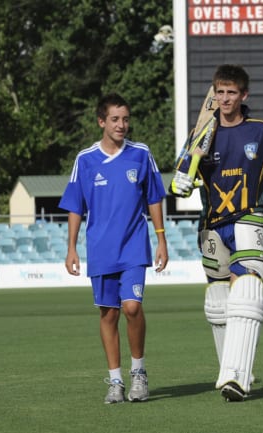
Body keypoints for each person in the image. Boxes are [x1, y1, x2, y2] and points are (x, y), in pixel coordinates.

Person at [171, 64, 263, 402]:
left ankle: (235, 378)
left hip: (248, 216)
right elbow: (183, 179)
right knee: (217, 301)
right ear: (214, 94)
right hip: (211, 223)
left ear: (243, 95)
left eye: (231, 92)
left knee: (248, 289)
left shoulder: (261, 131)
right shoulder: (201, 134)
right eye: (219, 92)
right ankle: (233, 371)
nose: (224, 99)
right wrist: (184, 179)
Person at [58, 92, 169, 404]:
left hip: (134, 245)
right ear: (101, 121)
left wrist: (161, 238)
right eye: (116, 119)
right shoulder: (85, 160)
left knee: (132, 307)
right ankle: (115, 380)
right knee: (109, 314)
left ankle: (139, 373)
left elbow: (154, 198)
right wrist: (71, 248)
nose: (122, 125)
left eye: (126, 119)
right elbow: (75, 207)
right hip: (100, 249)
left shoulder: (141, 154)